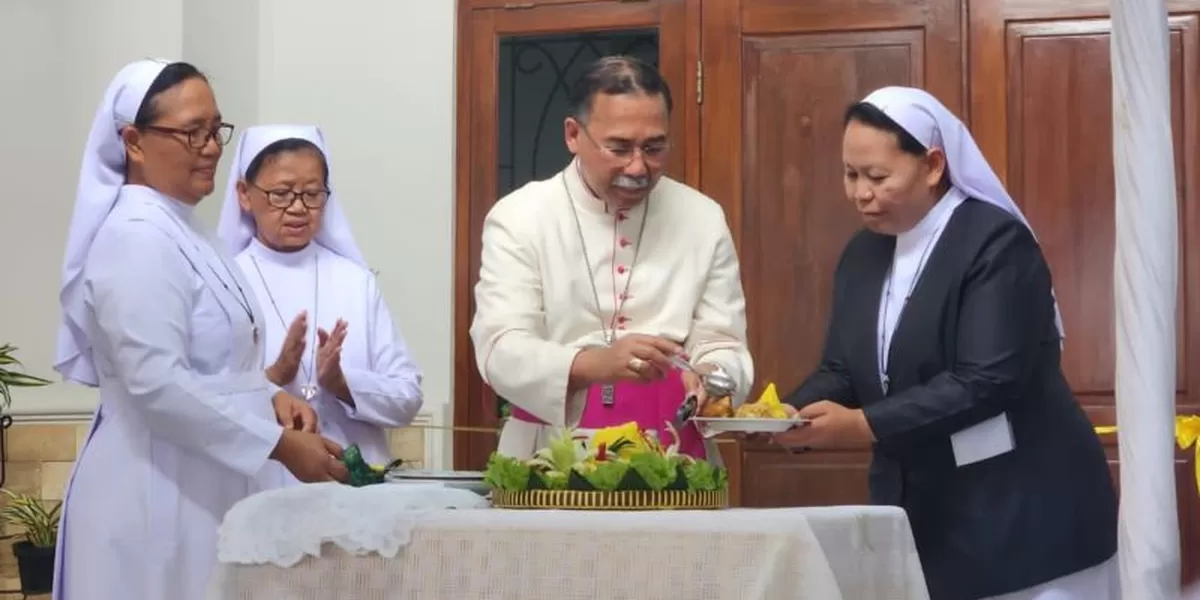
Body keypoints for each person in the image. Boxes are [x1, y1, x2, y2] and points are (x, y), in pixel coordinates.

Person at [777, 86, 1118, 599]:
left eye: (878, 176)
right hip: (928, 519)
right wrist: (785, 413)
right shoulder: (863, 254)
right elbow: (846, 369)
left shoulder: (995, 242)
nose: (860, 193)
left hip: (1023, 518)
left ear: (933, 165)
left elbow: (987, 380)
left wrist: (863, 424)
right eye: (850, 175)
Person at [51, 59, 349, 600]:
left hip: (193, 483)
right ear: (134, 141)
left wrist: (268, 397)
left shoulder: (184, 228)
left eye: (215, 130)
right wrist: (277, 445)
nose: (212, 147)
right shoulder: (136, 237)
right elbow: (155, 383)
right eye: (192, 132)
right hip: (151, 492)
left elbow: (212, 367)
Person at [470, 55, 753, 461]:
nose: (638, 167)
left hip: (676, 452)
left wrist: (713, 379)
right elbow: (501, 348)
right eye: (619, 148)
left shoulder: (702, 217)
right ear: (573, 134)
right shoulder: (519, 217)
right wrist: (596, 364)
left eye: (654, 148)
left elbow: (723, 339)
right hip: (549, 452)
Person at [216, 124, 424, 485]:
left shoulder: (356, 282)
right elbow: (204, 403)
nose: (298, 207)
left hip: (355, 494)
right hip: (262, 491)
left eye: (312, 194)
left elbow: (408, 397)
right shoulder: (224, 282)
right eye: (281, 193)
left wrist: (342, 384)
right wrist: (273, 379)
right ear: (244, 195)